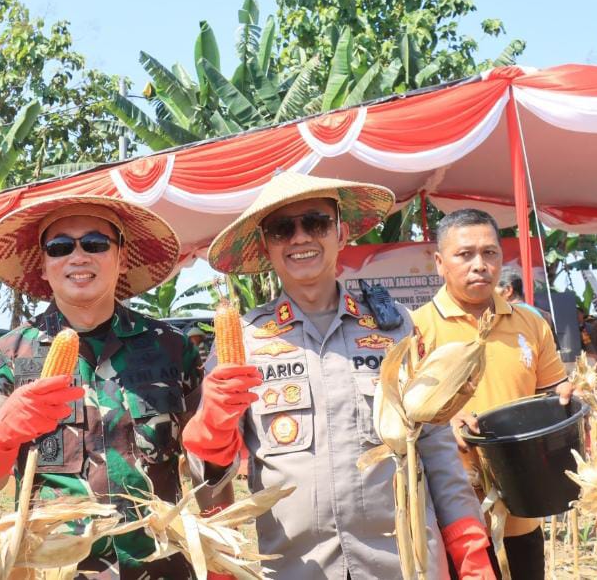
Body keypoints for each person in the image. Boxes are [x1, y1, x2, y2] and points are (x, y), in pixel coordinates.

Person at [185, 172, 492, 579]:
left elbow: (434, 444)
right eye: (282, 229)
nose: (300, 238)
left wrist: (470, 551)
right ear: (266, 246)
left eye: (315, 223)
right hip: (295, 567)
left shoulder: (393, 326)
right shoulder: (244, 341)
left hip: (402, 561)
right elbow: (208, 473)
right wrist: (211, 430)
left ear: (341, 233)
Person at [0, 195, 200, 578]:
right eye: (60, 247)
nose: (78, 256)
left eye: (96, 243)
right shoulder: (6, 357)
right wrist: (0, 433)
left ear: (121, 258)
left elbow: (210, 468)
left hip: (160, 567)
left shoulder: (172, 348)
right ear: (45, 265)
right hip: (56, 569)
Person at [411, 208, 572, 580]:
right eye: (464, 254)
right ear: (439, 262)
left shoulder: (530, 323)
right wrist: (443, 424)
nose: (479, 265)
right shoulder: (415, 329)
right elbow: (400, 420)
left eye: (489, 253)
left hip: (522, 510)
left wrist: (565, 399)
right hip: (453, 521)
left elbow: (550, 394)